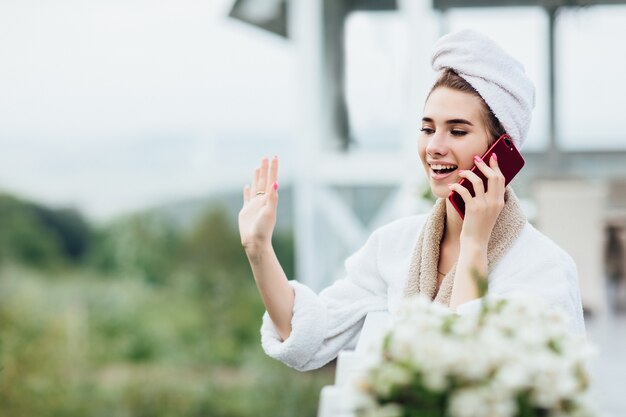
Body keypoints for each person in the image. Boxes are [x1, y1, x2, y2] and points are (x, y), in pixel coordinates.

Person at [237, 29, 585, 372]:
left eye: (458, 131)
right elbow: (309, 335)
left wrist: (474, 245)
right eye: (428, 128)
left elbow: (465, 374)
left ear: (500, 151)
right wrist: (259, 249)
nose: (435, 146)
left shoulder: (544, 269)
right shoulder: (393, 246)